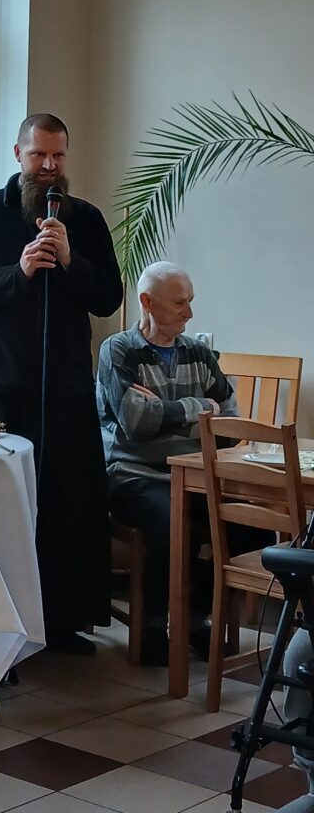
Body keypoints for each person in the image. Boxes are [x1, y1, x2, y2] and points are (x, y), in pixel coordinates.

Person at [0, 113, 123, 655]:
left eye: (58, 156)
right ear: (17, 154)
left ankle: (62, 622)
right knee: (4, 509)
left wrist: (69, 260)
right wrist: (17, 272)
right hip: (2, 388)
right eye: (38, 154)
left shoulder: (84, 219)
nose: (48, 166)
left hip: (67, 389)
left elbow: (108, 297)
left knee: (67, 508)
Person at [97, 261, 272, 665]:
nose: (189, 313)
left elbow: (230, 424)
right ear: (147, 302)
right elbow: (135, 423)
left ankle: (194, 616)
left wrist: (165, 410)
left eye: (190, 301)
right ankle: (152, 627)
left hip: (195, 478)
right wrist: (198, 408)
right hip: (134, 476)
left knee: (255, 529)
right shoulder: (118, 350)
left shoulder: (198, 353)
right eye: (179, 303)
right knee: (170, 523)